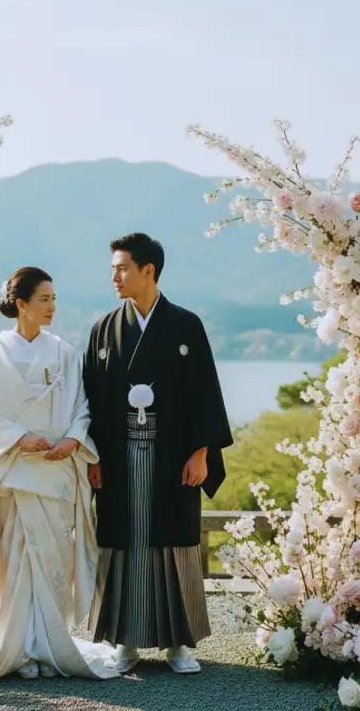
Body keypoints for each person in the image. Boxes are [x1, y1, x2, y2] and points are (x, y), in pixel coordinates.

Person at [0, 267, 119, 684]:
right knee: (17, 563)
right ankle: (18, 647)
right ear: (20, 304)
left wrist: (73, 441)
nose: (52, 307)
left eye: (54, 299)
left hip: (56, 470)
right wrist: (18, 437)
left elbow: (82, 407)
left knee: (53, 561)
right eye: (44, 299)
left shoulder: (65, 352)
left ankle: (51, 646)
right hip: (17, 471)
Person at [84, 233, 233, 675]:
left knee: (175, 542)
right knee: (123, 543)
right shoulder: (104, 328)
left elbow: (204, 391)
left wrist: (201, 452)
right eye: (113, 268)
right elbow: (88, 399)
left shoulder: (186, 325)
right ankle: (124, 640)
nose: (114, 276)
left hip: (173, 457)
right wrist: (92, 457)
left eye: (122, 267)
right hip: (118, 456)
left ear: (148, 270)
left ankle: (179, 644)